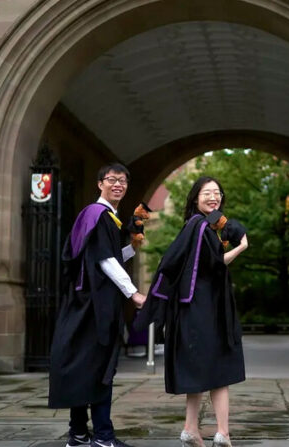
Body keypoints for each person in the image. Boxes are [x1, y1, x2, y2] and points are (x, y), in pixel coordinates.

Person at [135, 176, 248, 447]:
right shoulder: (201, 227)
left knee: (199, 371)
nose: (214, 197)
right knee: (221, 368)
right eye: (207, 193)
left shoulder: (193, 226)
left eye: (217, 193)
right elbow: (218, 263)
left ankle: (190, 429)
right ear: (195, 198)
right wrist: (242, 246)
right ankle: (223, 432)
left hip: (193, 310)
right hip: (206, 311)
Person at [48, 163, 147, 447]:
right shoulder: (99, 215)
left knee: (83, 367)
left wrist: (132, 247)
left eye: (124, 181)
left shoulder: (102, 218)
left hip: (83, 304)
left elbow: (106, 256)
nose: (119, 184)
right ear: (100, 184)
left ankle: (78, 434)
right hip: (95, 306)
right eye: (113, 179)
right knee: (101, 368)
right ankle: (103, 436)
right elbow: (105, 260)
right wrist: (133, 293)